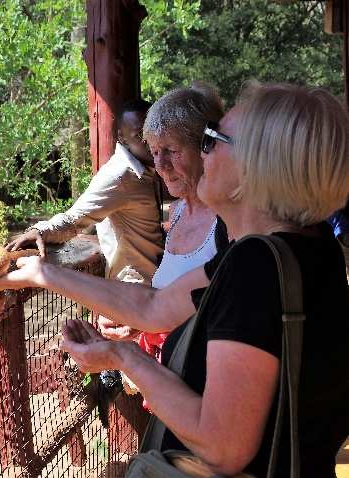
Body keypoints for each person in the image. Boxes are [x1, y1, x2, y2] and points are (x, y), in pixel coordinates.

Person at [54, 83, 348, 476]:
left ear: (258, 165)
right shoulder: (311, 246)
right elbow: (156, 306)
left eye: (213, 139)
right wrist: (39, 273)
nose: (203, 152)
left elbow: (223, 446)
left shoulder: (256, 264)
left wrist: (123, 356)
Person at [99, 83, 227, 364]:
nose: (161, 165)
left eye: (171, 150)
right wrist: (138, 323)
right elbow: (176, 302)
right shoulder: (178, 211)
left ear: (206, 145)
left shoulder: (232, 223)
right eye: (155, 152)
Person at [7, 99, 164, 283]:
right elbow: (75, 218)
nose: (151, 142)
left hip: (155, 283)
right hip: (134, 291)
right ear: (122, 137)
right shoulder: (119, 176)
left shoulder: (146, 168)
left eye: (154, 132)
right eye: (140, 135)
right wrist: (39, 230)